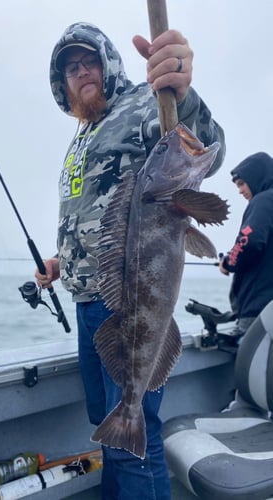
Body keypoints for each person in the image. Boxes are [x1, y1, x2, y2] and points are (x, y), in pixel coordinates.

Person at [35, 22, 225, 500]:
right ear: (63, 84)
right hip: (83, 298)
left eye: (89, 61)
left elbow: (197, 144)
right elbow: (96, 216)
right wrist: (62, 260)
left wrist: (180, 90)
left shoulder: (142, 103)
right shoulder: (82, 135)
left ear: (109, 62)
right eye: (71, 69)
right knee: (110, 427)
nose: (82, 73)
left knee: (135, 440)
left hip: (125, 296)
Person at [219, 152, 273, 336]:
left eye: (242, 183)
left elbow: (250, 241)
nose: (240, 191)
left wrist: (228, 263)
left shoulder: (264, 200)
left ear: (258, 177)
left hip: (260, 312)